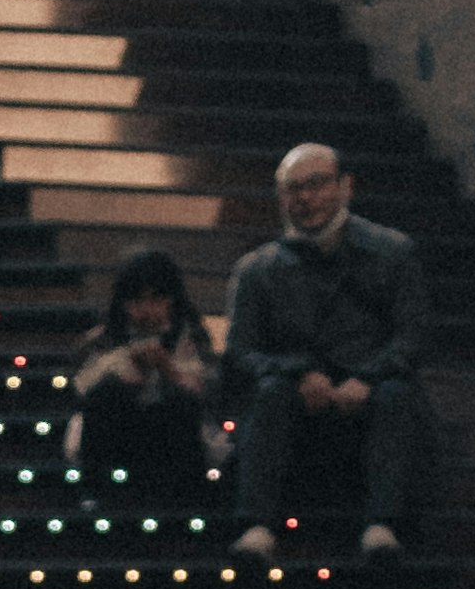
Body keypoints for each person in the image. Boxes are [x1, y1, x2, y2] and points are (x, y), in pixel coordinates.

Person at [226, 142, 432, 566]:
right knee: (267, 394)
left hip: (370, 391)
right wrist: (296, 374)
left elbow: (413, 339)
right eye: (292, 189)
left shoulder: (393, 253)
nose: (304, 198)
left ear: (345, 187)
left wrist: (368, 378)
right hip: (294, 396)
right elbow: (240, 352)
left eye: (316, 185)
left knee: (397, 395)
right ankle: (257, 527)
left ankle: (383, 526)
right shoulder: (257, 269)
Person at [65, 247, 224, 524]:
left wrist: (168, 371)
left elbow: (208, 390)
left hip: (169, 432)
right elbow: (82, 389)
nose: (147, 311)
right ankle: (93, 491)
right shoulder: (103, 337)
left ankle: (187, 497)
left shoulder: (192, 336)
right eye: (137, 301)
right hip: (120, 430)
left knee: (182, 403)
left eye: (156, 300)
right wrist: (124, 373)